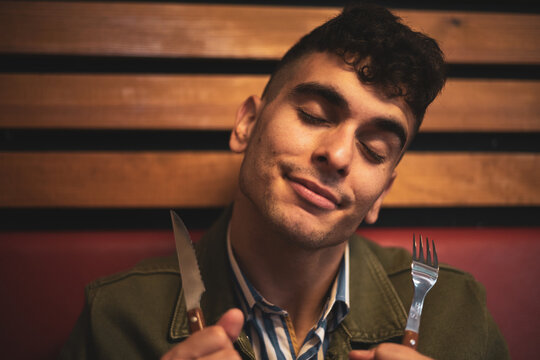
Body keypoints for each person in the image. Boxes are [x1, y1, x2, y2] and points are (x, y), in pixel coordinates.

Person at [59, 3, 509, 360]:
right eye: (314, 116)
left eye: (374, 149)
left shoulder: (458, 311)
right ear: (248, 124)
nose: (336, 155)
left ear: (381, 195)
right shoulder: (116, 317)